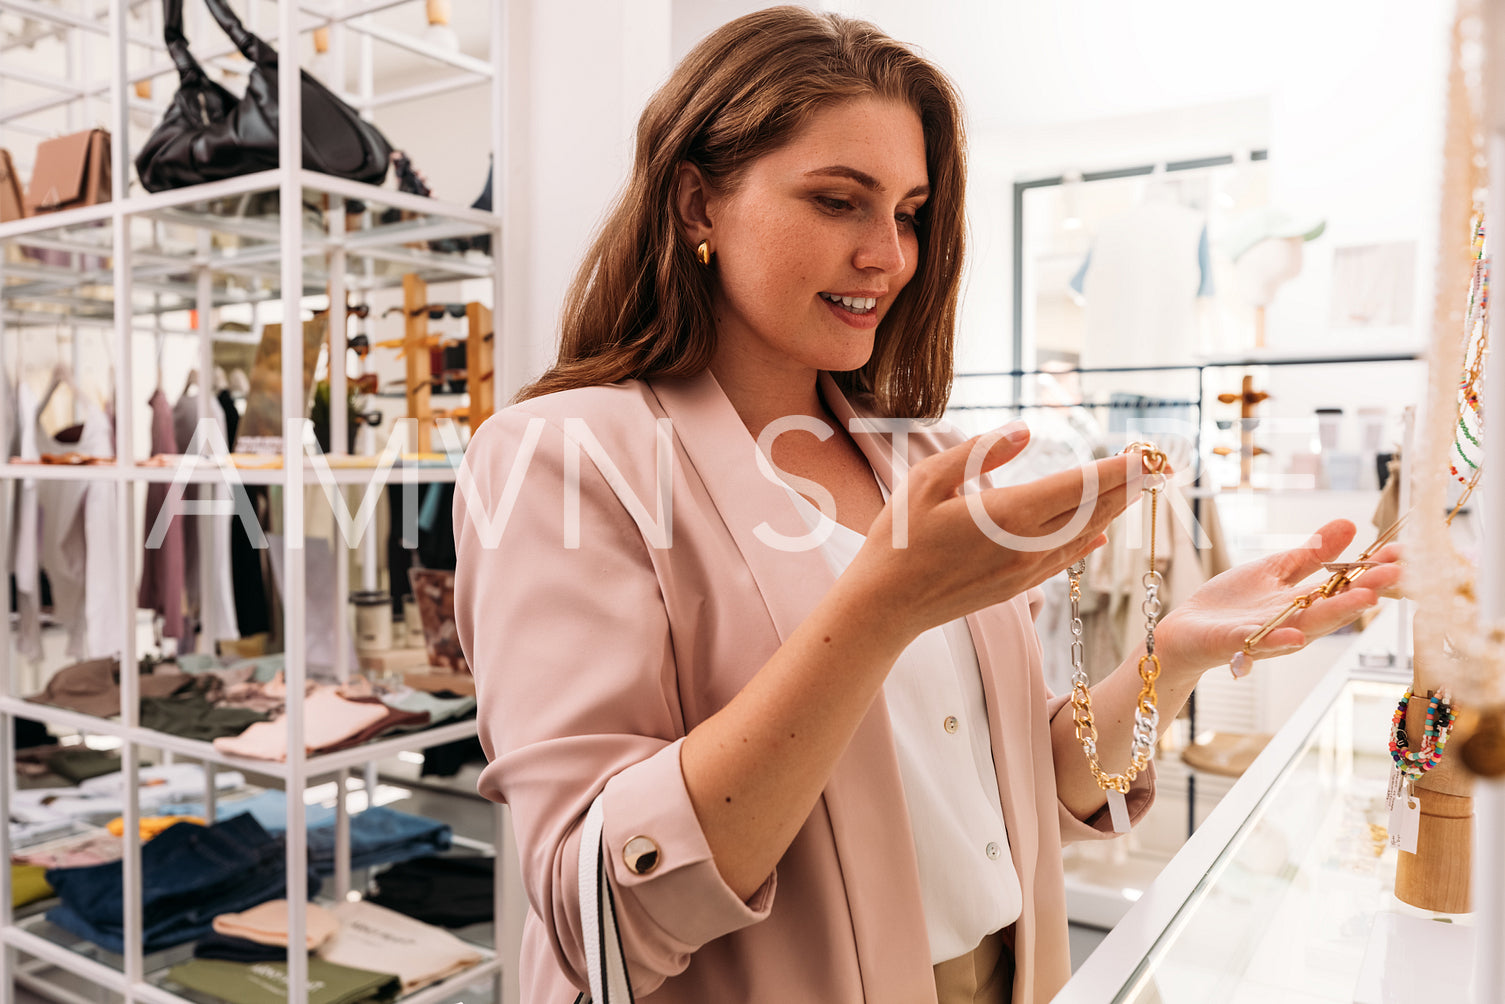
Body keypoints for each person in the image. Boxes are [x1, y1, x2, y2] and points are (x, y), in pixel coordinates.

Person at [453, 8, 1401, 1003]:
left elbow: (1017, 794)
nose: (889, 256)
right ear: (697, 202)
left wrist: (1173, 658)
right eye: (836, 201)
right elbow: (598, 901)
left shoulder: (924, 459)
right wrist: (880, 606)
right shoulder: (561, 456)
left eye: (907, 211)